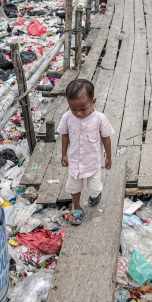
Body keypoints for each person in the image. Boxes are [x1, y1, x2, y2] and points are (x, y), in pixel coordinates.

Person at [57, 79, 114, 225]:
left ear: (93, 102)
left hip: (93, 163)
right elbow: (65, 136)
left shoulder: (100, 119)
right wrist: (64, 154)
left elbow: (106, 138)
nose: (78, 113)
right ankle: (76, 208)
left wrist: (108, 156)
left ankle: (95, 195)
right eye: (73, 109)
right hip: (75, 163)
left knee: (94, 189)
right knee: (74, 187)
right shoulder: (67, 118)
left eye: (83, 109)